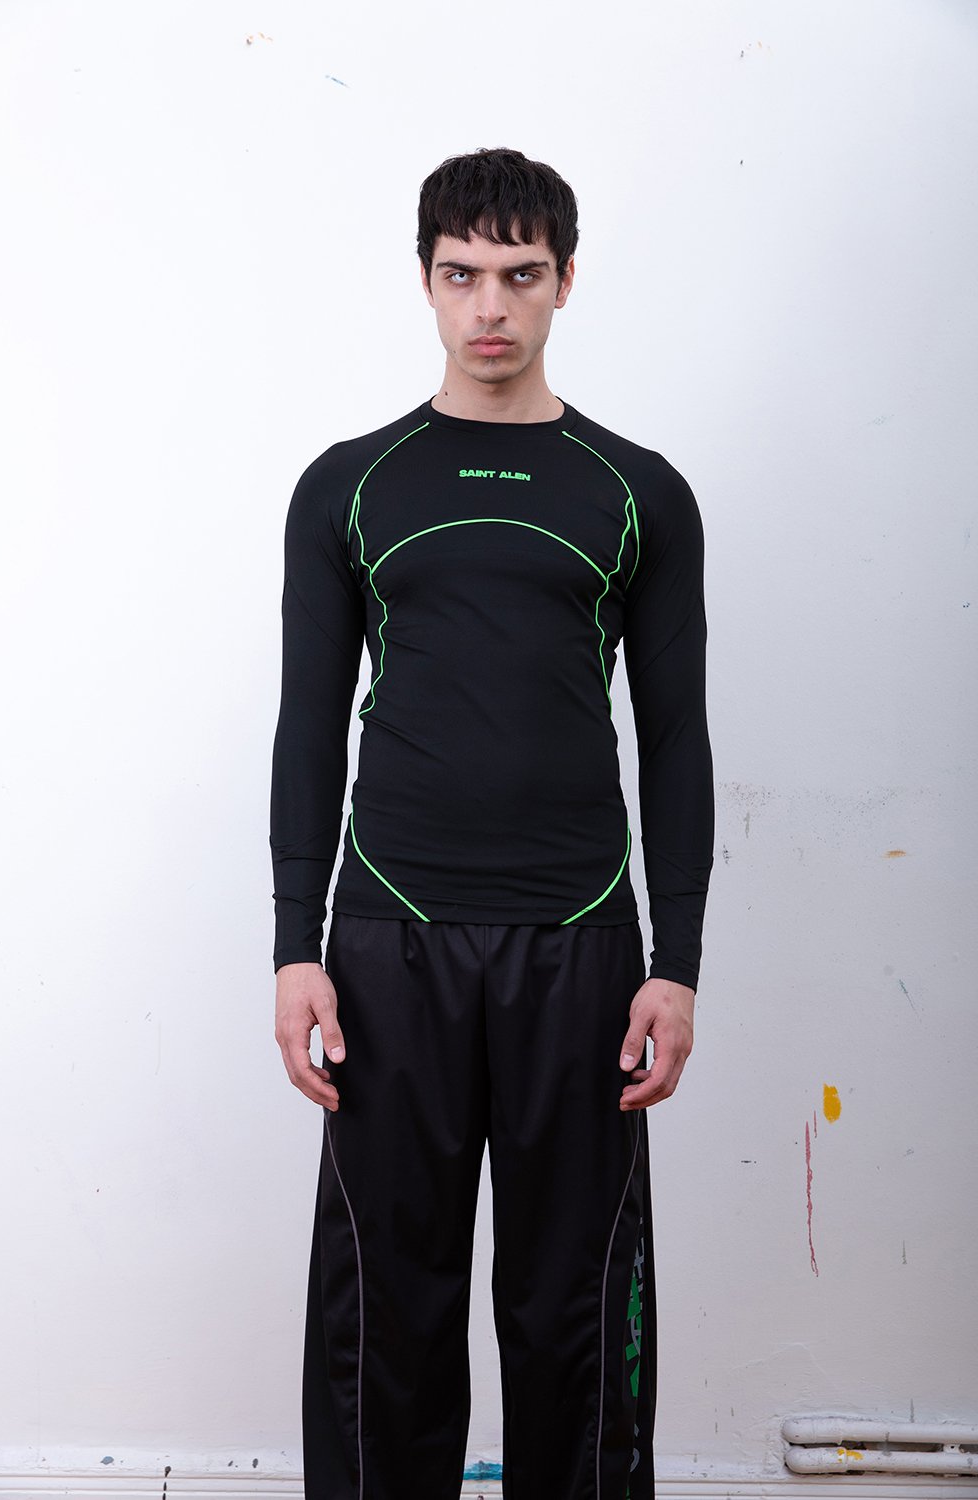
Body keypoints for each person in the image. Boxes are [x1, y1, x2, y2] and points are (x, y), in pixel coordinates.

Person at [270, 146, 714, 1500]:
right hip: (388, 936)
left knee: (574, 1300)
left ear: (566, 281)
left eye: (521, 275)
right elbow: (307, 729)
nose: (491, 307)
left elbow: (676, 739)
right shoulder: (351, 484)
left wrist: (677, 963)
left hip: (580, 940)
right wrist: (296, 947)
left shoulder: (636, 491)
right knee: (385, 1305)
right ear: (425, 280)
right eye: (462, 275)